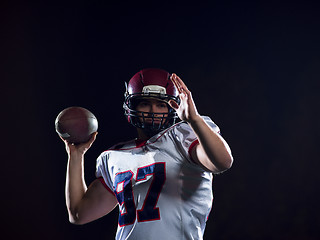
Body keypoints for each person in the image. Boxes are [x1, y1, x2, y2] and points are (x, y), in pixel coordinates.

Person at [62, 68, 233, 240]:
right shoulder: (114, 156)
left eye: (161, 104)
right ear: (131, 106)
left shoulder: (183, 137)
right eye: (145, 103)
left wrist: (194, 120)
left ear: (172, 107)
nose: (153, 111)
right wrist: (76, 155)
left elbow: (222, 162)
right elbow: (78, 214)